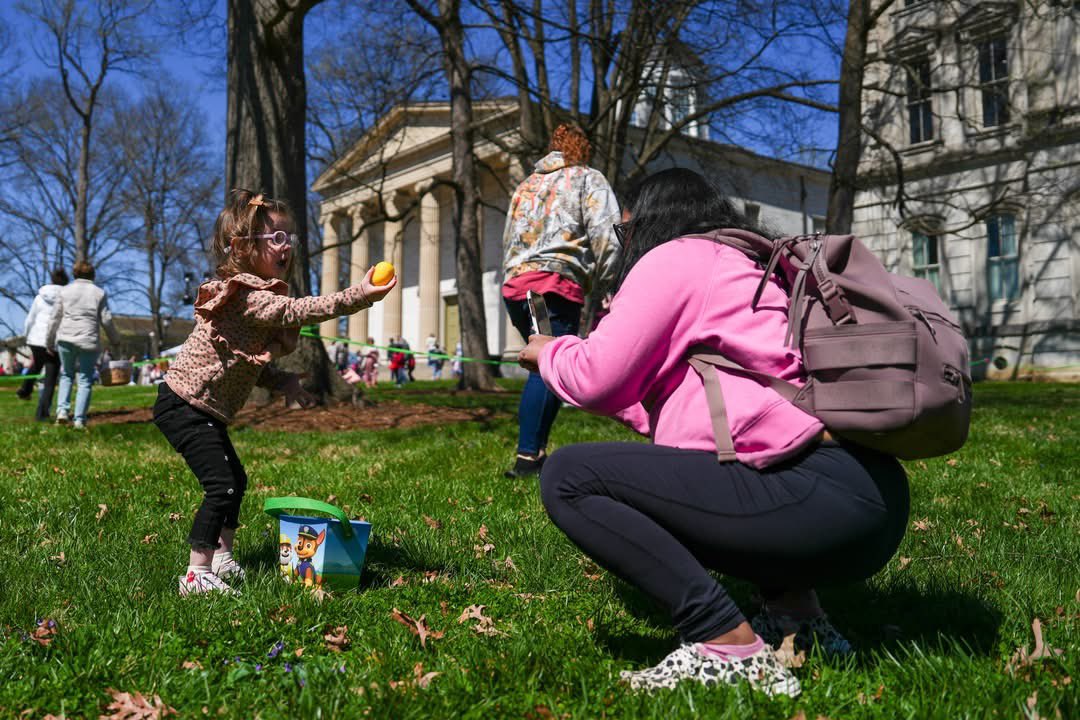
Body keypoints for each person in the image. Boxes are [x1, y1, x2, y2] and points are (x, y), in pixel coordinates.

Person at [518, 169, 909, 697]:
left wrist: (550, 353)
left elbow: (594, 376)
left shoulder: (676, 257)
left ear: (648, 223)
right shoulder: (747, 264)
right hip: (868, 493)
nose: (623, 246)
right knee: (729, 475)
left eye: (623, 232)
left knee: (569, 476)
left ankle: (723, 641)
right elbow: (718, 419)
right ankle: (798, 622)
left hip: (817, 494)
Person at [152, 189, 397, 596]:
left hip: (203, 408)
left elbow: (242, 360)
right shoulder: (246, 296)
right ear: (243, 247)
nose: (287, 247)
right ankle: (196, 574)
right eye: (276, 238)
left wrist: (281, 381)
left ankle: (221, 559)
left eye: (290, 238)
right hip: (183, 405)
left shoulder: (255, 298)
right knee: (221, 485)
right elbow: (298, 311)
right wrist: (358, 295)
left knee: (236, 479)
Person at [500, 123, 621, 479]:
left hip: (516, 284)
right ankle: (526, 458)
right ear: (582, 148)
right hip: (553, 284)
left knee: (548, 367)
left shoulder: (526, 185)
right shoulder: (587, 178)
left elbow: (509, 236)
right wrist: (610, 282)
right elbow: (608, 235)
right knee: (548, 365)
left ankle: (535, 451)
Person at [46, 260, 120, 429]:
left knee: (66, 375)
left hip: (66, 338)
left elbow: (54, 318)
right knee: (85, 379)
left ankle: (62, 412)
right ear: (92, 274)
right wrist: (115, 340)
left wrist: (49, 342)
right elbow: (106, 320)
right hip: (88, 339)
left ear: (75, 274)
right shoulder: (99, 292)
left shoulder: (65, 291)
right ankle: (79, 420)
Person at [18, 268, 69, 421]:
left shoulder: (40, 297)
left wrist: (26, 336)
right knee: (50, 379)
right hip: (54, 341)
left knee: (37, 364)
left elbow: (30, 318)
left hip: (35, 339)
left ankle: (25, 390)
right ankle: (41, 414)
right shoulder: (67, 297)